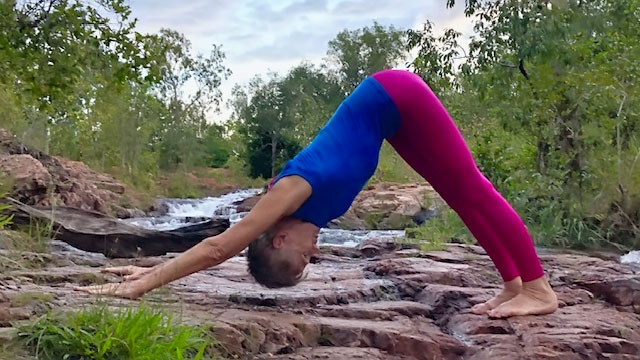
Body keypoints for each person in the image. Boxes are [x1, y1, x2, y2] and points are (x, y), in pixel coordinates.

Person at [76, 69, 558, 318]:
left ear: (277, 240)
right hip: (391, 118)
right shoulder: (316, 215)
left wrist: (137, 286)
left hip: (394, 96)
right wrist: (138, 265)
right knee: (458, 194)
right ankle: (514, 286)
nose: (315, 257)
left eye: (301, 262)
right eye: (311, 265)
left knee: (471, 185)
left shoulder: (291, 192)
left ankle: (538, 287)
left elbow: (219, 247)